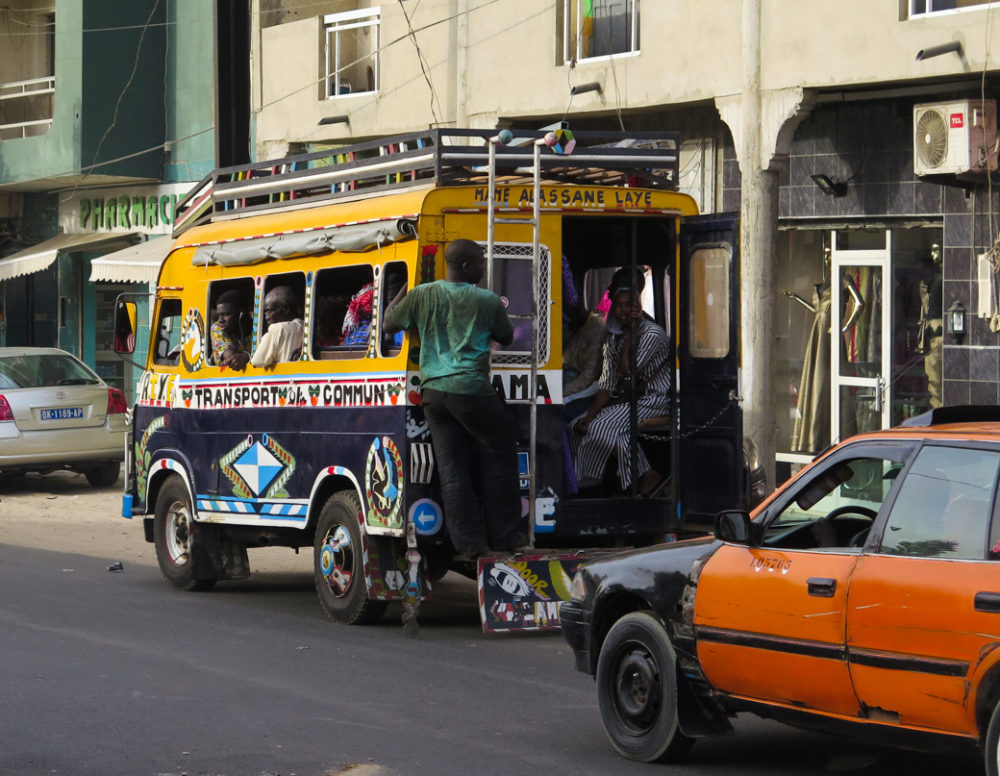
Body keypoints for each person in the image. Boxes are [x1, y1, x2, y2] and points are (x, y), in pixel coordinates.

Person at [384, 238, 525, 558]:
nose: (483, 268)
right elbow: (506, 336)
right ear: (465, 266)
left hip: (434, 395)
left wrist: (407, 287)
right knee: (499, 458)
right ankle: (504, 536)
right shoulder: (486, 300)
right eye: (480, 262)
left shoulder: (422, 294)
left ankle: (470, 544)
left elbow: (389, 322)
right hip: (472, 390)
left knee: (452, 470)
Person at [571, 285, 671, 496]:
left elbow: (626, 369)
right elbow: (607, 382)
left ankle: (646, 473)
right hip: (628, 400)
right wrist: (590, 414)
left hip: (654, 399)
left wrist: (633, 331)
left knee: (600, 428)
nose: (623, 310)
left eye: (629, 305)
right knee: (576, 426)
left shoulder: (652, 334)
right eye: (619, 305)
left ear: (638, 308)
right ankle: (590, 483)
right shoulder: (614, 336)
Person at [230, 286, 303, 369]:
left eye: (269, 310)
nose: (266, 316)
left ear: (285, 309)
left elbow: (258, 361)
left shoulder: (278, 328)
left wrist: (246, 356)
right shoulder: (303, 325)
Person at [210, 289, 249, 368]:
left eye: (226, 314)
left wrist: (246, 356)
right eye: (219, 315)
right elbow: (231, 359)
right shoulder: (217, 328)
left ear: (241, 313)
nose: (220, 320)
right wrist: (247, 356)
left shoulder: (255, 328)